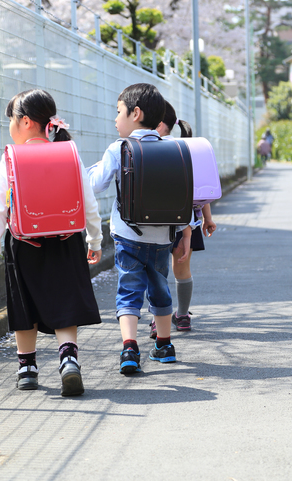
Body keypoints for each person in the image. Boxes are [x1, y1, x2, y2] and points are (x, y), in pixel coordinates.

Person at [0, 89, 103, 397]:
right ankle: (68, 360)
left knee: (25, 305)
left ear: (24, 122)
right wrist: (95, 239)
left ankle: (27, 369)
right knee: (66, 303)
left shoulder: (11, 158)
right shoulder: (68, 152)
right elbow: (88, 203)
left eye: (10, 119)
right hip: (66, 240)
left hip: (24, 244)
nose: (9, 125)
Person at [87, 83, 192, 375]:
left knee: (129, 292)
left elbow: (94, 186)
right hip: (162, 239)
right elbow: (181, 194)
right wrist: (184, 232)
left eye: (118, 112)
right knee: (160, 290)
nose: (115, 119)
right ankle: (165, 344)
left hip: (128, 236)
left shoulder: (118, 149)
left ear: (135, 113)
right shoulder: (174, 148)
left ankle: (130, 348)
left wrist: (94, 168)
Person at [149, 100, 216, 338]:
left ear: (157, 123)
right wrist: (207, 217)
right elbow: (200, 188)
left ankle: (159, 320)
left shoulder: (153, 149)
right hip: (191, 218)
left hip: (156, 218)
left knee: (156, 272)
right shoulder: (187, 147)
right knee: (182, 268)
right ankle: (183, 315)